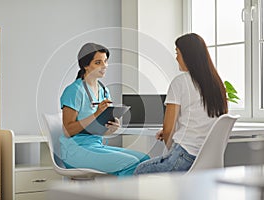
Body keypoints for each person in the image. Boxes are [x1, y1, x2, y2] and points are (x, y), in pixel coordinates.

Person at [134, 33, 228, 175]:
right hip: (207, 159)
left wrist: (170, 145)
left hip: (184, 157)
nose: (176, 57)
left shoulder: (180, 82)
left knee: (140, 171)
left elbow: (168, 129)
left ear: (188, 55)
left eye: (178, 53)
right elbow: (199, 120)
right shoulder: (216, 84)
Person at [60, 42, 150, 176]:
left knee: (144, 160)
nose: (104, 66)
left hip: (97, 146)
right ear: (85, 65)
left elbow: (101, 131)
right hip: (75, 150)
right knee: (130, 163)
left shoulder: (104, 90)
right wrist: (96, 114)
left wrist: (112, 127)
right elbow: (67, 131)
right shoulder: (74, 91)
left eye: (106, 61)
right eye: (98, 62)